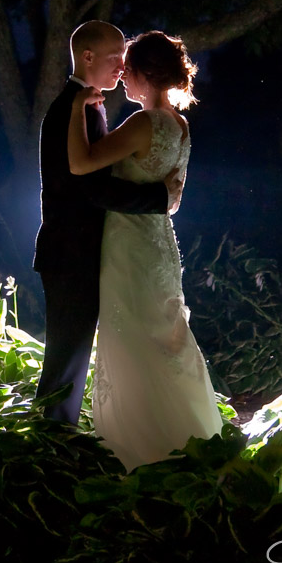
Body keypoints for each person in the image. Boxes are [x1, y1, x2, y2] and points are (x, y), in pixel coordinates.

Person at [66, 29, 224, 472]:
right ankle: (186, 435)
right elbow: (173, 198)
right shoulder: (180, 126)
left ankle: (138, 447)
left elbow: (80, 164)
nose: (122, 77)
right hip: (159, 246)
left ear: (144, 73)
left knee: (133, 337)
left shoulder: (142, 123)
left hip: (130, 249)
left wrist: (79, 111)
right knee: (163, 337)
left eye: (127, 69)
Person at [33, 21, 182, 427]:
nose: (122, 65)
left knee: (73, 354)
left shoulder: (89, 104)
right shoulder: (71, 108)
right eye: (117, 57)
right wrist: (159, 199)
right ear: (87, 56)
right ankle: (48, 442)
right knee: (67, 356)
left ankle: (55, 437)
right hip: (69, 252)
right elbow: (89, 190)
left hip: (84, 251)